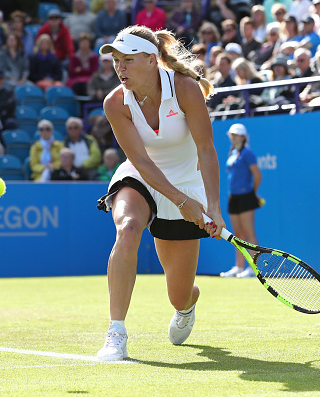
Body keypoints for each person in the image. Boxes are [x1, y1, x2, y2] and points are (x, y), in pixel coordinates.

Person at [94, 26, 225, 361]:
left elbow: (207, 151)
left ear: (152, 60)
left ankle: (186, 306)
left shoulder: (185, 89)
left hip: (186, 180)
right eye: (116, 61)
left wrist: (212, 207)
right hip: (141, 175)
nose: (120, 68)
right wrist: (183, 203)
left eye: (128, 60)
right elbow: (139, 160)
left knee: (179, 295)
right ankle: (116, 332)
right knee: (127, 228)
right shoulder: (115, 103)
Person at [220, 124, 262, 278]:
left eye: (237, 135)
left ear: (244, 137)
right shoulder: (233, 153)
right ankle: (239, 267)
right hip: (233, 197)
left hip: (245, 196)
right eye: (232, 134)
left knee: (249, 232)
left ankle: (254, 268)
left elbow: (257, 175)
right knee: (237, 234)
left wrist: (252, 192)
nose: (234, 137)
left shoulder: (248, 153)